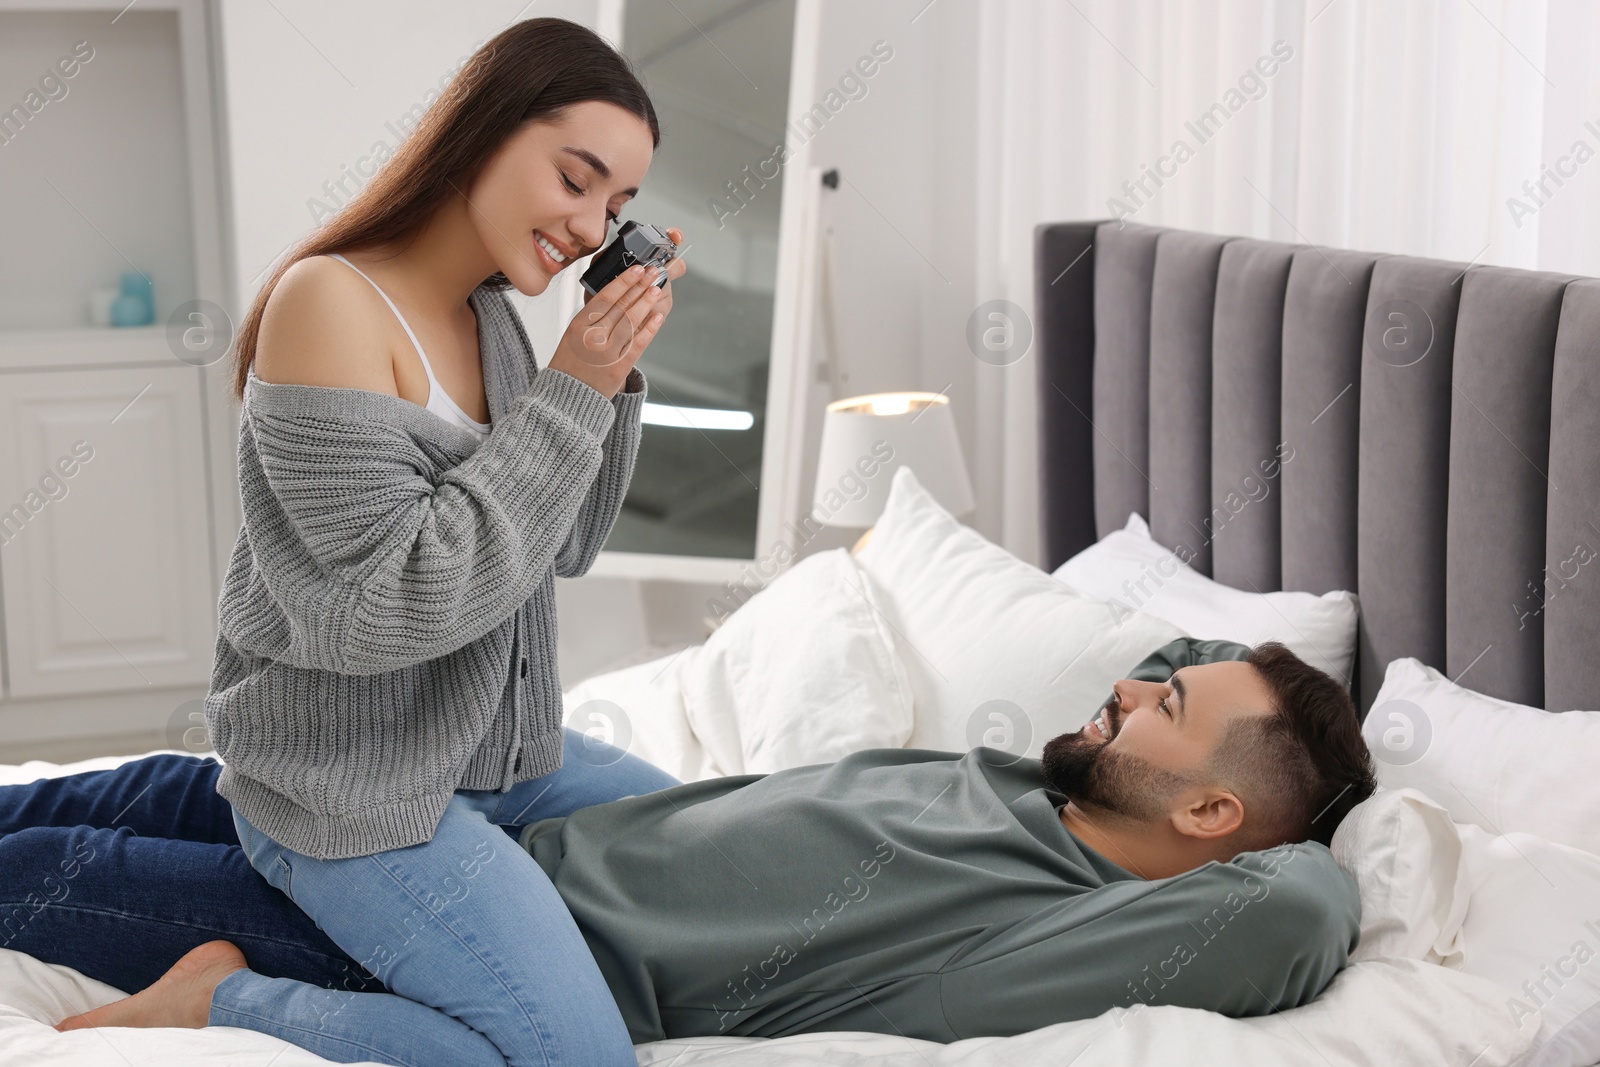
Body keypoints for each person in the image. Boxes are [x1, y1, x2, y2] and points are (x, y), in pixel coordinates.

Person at [1, 638, 1379, 1063]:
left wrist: (1319, 808)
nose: (1132, 692)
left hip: (441, 930)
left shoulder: (1067, 917)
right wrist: (1194, 684)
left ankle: (215, 995)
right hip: (491, 833)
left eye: (1171, 705)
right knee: (110, 800)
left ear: (1215, 819)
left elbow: (1304, 891)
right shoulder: (1026, 785)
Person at [179, 16, 688, 1067]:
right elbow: (381, 607)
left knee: (713, 850)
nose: (593, 227)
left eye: (618, 208)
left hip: (483, 752)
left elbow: (564, 542)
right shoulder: (330, 301)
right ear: (483, 131)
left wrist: (607, 373)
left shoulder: (493, 318)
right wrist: (573, 391)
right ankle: (219, 998)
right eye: (576, 179)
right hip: (352, 785)